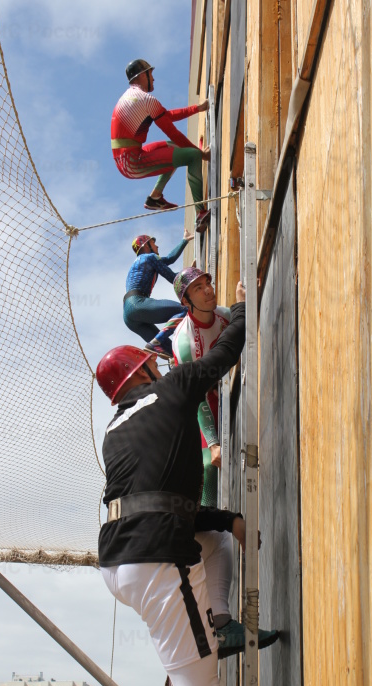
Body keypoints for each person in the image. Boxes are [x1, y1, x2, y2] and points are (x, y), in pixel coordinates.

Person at [95, 284, 278, 686]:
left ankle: (217, 623)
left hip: (123, 560)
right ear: (146, 372)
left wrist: (225, 518)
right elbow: (226, 350)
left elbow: (157, 502)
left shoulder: (115, 431)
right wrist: (240, 305)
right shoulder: (169, 389)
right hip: (154, 562)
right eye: (153, 364)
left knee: (216, 542)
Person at [111, 58, 211, 232]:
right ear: (142, 76)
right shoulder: (144, 99)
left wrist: (198, 108)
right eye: (150, 73)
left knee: (174, 148)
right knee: (192, 156)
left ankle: (155, 197)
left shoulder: (133, 97)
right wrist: (201, 154)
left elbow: (166, 116)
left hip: (128, 158)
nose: (154, 78)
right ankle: (200, 213)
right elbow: (173, 132)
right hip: (131, 162)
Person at [172, 267, 229, 506]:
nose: (208, 290)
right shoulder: (184, 340)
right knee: (208, 463)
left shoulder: (226, 316)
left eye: (208, 283)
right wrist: (214, 444)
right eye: (198, 288)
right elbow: (196, 397)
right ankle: (210, 519)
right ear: (186, 301)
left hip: (217, 390)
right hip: (194, 403)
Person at [123, 230, 191, 359]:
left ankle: (175, 364)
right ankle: (156, 342)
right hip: (137, 303)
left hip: (128, 315)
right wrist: (190, 275)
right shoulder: (149, 257)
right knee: (184, 310)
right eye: (154, 243)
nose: (157, 246)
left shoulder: (142, 260)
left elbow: (169, 259)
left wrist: (184, 240)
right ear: (146, 246)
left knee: (172, 352)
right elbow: (172, 277)